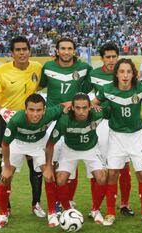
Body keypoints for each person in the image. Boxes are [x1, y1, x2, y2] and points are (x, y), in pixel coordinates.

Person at [92, 58, 142, 226]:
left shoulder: (141, 88)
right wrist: (95, 109)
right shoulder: (107, 89)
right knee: (113, 174)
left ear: (133, 74)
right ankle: (110, 212)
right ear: (116, 74)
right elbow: (94, 103)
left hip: (137, 137)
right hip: (116, 136)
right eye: (121, 71)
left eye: (129, 71)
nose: (125, 75)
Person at [0, 36, 45, 219]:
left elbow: (46, 85)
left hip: (32, 121)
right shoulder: (1, 71)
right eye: (18, 50)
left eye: (24, 49)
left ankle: (36, 204)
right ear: (12, 53)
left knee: (35, 164)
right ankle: (6, 207)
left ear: (30, 51)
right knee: (5, 166)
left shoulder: (37, 68)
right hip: (7, 122)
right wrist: (4, 111)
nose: (21, 53)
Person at [0, 94, 66, 229]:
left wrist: (49, 165)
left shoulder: (51, 113)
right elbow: (5, 144)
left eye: (39, 110)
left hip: (39, 143)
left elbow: (65, 105)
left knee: (49, 175)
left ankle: (52, 213)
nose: (35, 114)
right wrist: (7, 166)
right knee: (5, 178)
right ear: (25, 110)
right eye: (31, 110)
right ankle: (3, 214)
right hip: (17, 144)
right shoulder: (16, 119)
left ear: (44, 110)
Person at [39, 37, 93, 210]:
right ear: (56, 50)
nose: (66, 51)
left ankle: (68, 200)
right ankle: (52, 206)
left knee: (72, 162)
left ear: (74, 51)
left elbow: (88, 89)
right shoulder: (47, 67)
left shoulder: (84, 68)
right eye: (63, 48)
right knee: (51, 164)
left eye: (70, 48)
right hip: (52, 120)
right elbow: (39, 87)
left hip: (73, 120)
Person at [46, 93, 108, 225]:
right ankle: (67, 210)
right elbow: (50, 144)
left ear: (90, 107)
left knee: (102, 177)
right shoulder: (64, 120)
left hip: (91, 148)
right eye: (78, 108)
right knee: (61, 179)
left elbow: (115, 106)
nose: (81, 111)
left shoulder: (98, 114)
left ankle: (95, 210)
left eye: (85, 108)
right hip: (70, 150)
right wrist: (47, 166)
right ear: (72, 108)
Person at [89, 42, 134, 217]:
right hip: (101, 124)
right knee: (99, 165)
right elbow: (87, 96)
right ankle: (96, 207)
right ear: (102, 59)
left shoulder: (125, 73)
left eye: (114, 56)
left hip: (122, 122)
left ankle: (124, 204)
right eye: (107, 57)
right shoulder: (93, 75)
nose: (111, 60)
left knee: (124, 166)